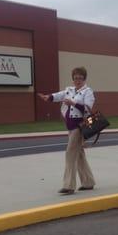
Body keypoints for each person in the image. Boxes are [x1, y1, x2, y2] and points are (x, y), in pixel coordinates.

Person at [37, 67, 96, 195]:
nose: (77, 80)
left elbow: (88, 109)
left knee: (70, 154)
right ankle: (88, 182)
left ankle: (69, 185)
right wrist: (49, 97)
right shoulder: (69, 90)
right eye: (75, 78)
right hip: (70, 127)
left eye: (80, 78)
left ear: (84, 79)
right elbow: (59, 95)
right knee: (79, 155)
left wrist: (73, 103)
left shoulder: (88, 91)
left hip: (79, 126)